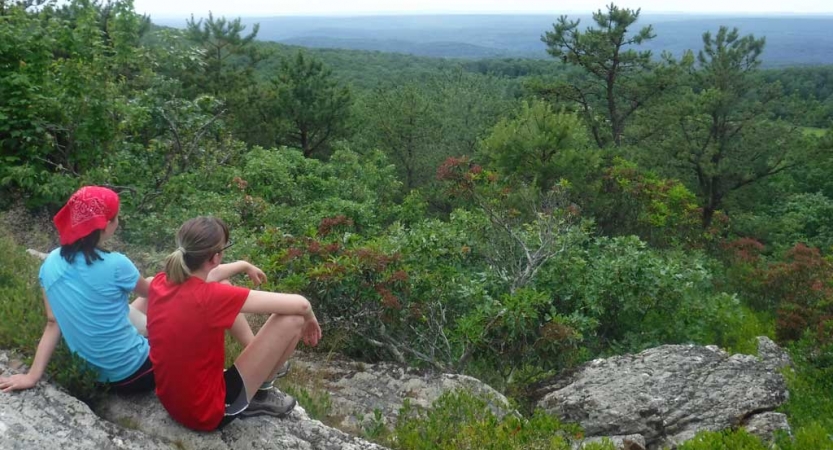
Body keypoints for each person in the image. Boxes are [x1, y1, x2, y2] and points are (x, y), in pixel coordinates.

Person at [146, 216, 321, 431]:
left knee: (224, 283)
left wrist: (243, 265)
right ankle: (261, 391)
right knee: (293, 319)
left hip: (173, 402)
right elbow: (300, 305)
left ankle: (256, 359)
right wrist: (310, 318)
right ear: (215, 257)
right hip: (207, 413)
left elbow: (214, 275)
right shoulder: (212, 298)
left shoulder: (161, 281)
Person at [0, 186, 154, 394]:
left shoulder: (49, 264)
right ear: (106, 225)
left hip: (93, 375)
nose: (118, 223)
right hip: (136, 373)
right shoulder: (117, 264)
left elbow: (53, 322)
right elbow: (155, 294)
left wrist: (31, 376)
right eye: (116, 218)